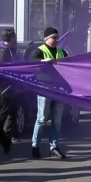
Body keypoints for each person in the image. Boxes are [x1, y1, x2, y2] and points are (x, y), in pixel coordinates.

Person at [31, 27, 68, 159]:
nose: (57, 40)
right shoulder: (39, 51)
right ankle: (35, 146)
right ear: (47, 39)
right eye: (54, 38)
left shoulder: (62, 52)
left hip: (59, 90)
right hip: (44, 89)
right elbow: (30, 63)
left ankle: (54, 147)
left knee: (57, 120)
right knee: (41, 119)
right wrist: (42, 62)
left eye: (57, 38)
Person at [0, 28, 22, 142]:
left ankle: (7, 134)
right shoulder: (1, 50)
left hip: (13, 86)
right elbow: (5, 68)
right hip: (4, 86)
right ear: (11, 38)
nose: (16, 39)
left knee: (12, 111)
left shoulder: (12, 50)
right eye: (14, 37)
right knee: (4, 111)